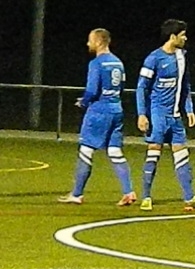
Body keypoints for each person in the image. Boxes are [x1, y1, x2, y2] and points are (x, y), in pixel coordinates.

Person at [135, 19, 195, 212]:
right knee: (153, 154)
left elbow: (185, 85)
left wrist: (189, 109)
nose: (185, 38)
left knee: (182, 156)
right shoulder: (153, 59)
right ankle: (146, 197)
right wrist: (142, 114)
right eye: (182, 35)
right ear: (172, 37)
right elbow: (141, 88)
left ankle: (189, 198)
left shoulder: (181, 56)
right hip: (158, 116)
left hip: (175, 117)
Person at [58, 29, 137, 206]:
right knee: (115, 151)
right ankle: (128, 191)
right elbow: (121, 86)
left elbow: (92, 90)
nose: (88, 44)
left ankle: (77, 194)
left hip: (99, 111)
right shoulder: (118, 62)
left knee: (86, 150)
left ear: (99, 42)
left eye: (90, 40)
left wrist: (84, 102)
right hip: (116, 109)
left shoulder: (96, 63)